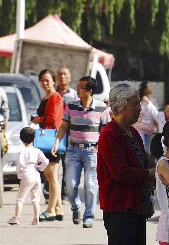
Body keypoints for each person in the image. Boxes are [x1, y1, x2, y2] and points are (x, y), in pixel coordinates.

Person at [98, 82, 156, 245]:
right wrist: (148, 175)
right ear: (120, 107)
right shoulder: (110, 134)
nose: (139, 109)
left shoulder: (132, 133)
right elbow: (120, 172)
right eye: (135, 104)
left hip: (136, 208)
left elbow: (144, 160)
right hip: (119, 207)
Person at [51, 76, 110, 228]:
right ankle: (76, 207)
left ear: (89, 91)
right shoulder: (71, 106)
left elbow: (106, 132)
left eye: (80, 87)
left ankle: (89, 216)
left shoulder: (102, 108)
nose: (77, 90)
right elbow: (64, 126)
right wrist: (57, 141)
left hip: (92, 151)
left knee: (91, 185)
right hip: (73, 151)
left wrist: (100, 148)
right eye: (77, 86)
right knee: (70, 185)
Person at [32, 69, 65, 222]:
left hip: (52, 140)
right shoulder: (46, 97)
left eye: (47, 80)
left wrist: (38, 119)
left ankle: (51, 210)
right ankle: (58, 208)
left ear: (53, 81)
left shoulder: (55, 98)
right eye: (42, 80)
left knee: (51, 175)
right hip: (48, 139)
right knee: (50, 175)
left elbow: (53, 119)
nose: (45, 83)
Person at [8, 127, 49, 226]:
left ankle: (16, 217)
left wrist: (19, 175)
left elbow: (20, 165)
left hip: (26, 174)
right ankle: (36, 218)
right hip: (36, 175)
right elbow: (46, 161)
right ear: (34, 138)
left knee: (20, 198)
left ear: (21, 140)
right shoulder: (37, 150)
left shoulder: (22, 151)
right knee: (36, 199)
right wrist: (40, 168)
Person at [132, 81, 160, 153]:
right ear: (144, 89)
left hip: (149, 129)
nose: (150, 89)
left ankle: (146, 163)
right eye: (148, 87)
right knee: (141, 146)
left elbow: (156, 114)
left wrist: (158, 126)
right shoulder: (138, 101)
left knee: (148, 149)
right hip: (139, 127)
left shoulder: (152, 101)